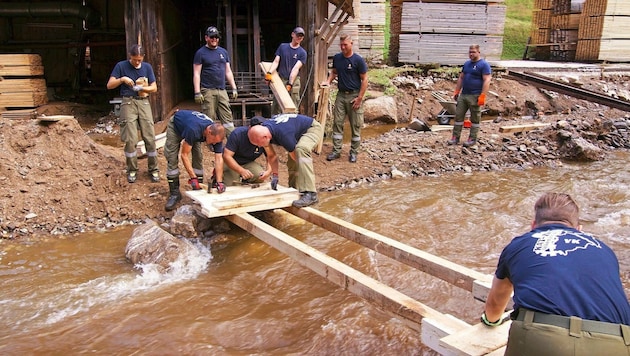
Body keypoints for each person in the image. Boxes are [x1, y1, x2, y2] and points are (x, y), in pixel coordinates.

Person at [482, 192, 630, 355]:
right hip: (618, 342)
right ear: (579, 229)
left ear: (533, 226)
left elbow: (495, 303)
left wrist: (490, 321)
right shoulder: (605, 250)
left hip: (544, 339)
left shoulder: (519, 244)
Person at [106, 44, 159, 184]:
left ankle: (153, 169)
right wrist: (122, 79)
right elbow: (109, 85)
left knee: (150, 137)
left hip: (143, 101)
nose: (137, 62)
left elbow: (154, 87)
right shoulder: (121, 66)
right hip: (128, 102)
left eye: (139, 60)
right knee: (130, 139)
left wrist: (142, 87)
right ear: (130, 56)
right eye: (135, 59)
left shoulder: (147, 67)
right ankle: (132, 170)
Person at [247, 114, 323, 207]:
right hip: (296, 131)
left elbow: (297, 159)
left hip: (311, 128)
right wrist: (275, 176)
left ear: (265, 137)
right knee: (292, 163)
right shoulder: (266, 131)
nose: (259, 146)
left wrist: (304, 171)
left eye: (259, 144)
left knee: (301, 150)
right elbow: (271, 156)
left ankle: (311, 194)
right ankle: (295, 190)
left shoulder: (283, 134)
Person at [163, 110, 226, 212]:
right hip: (176, 127)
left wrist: (219, 182)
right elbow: (184, 155)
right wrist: (193, 178)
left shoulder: (217, 134)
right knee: (172, 157)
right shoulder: (193, 130)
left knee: (198, 157)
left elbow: (219, 158)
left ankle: (198, 190)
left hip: (195, 130)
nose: (214, 144)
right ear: (209, 132)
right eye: (213, 141)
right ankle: (175, 193)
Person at [323, 33, 368, 163]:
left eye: (345, 45)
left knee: (355, 125)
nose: (343, 47)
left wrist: (360, 98)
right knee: (337, 123)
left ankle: (354, 152)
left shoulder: (358, 60)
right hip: (341, 95)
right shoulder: (337, 58)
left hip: (354, 95)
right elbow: (334, 72)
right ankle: (336, 151)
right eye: (341, 45)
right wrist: (328, 81)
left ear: (351, 44)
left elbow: (365, 79)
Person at [193, 26, 238, 136]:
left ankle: (231, 139)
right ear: (206, 38)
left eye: (216, 37)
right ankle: (211, 142)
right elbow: (196, 73)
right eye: (212, 37)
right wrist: (197, 92)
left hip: (221, 90)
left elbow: (228, 71)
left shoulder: (223, 52)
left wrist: (234, 87)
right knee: (209, 117)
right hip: (207, 90)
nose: (214, 39)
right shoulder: (200, 53)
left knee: (227, 117)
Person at [447, 44, 492, 147]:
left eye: (473, 52)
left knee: (475, 118)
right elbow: (461, 78)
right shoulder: (467, 64)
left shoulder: (484, 65)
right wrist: (457, 91)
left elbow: (487, 80)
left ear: (478, 52)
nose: (471, 54)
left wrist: (483, 95)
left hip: (475, 95)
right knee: (458, 116)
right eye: (470, 52)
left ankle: (472, 138)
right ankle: (455, 137)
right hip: (464, 94)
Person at [264, 27, 307, 114]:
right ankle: (275, 121)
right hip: (281, 78)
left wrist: (290, 84)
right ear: (292, 35)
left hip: (294, 80)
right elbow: (276, 62)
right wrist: (269, 73)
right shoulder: (283, 47)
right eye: (298, 35)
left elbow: (295, 69)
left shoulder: (302, 53)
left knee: (293, 102)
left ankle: (292, 121)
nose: (299, 38)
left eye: (301, 36)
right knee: (277, 102)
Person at [223, 117, 276, 187]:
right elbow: (227, 156)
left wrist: (268, 171)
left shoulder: (265, 137)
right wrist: (241, 170)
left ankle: (246, 180)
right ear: (250, 128)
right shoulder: (238, 134)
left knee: (259, 175)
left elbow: (270, 156)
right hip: (232, 162)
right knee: (232, 186)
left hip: (248, 162)